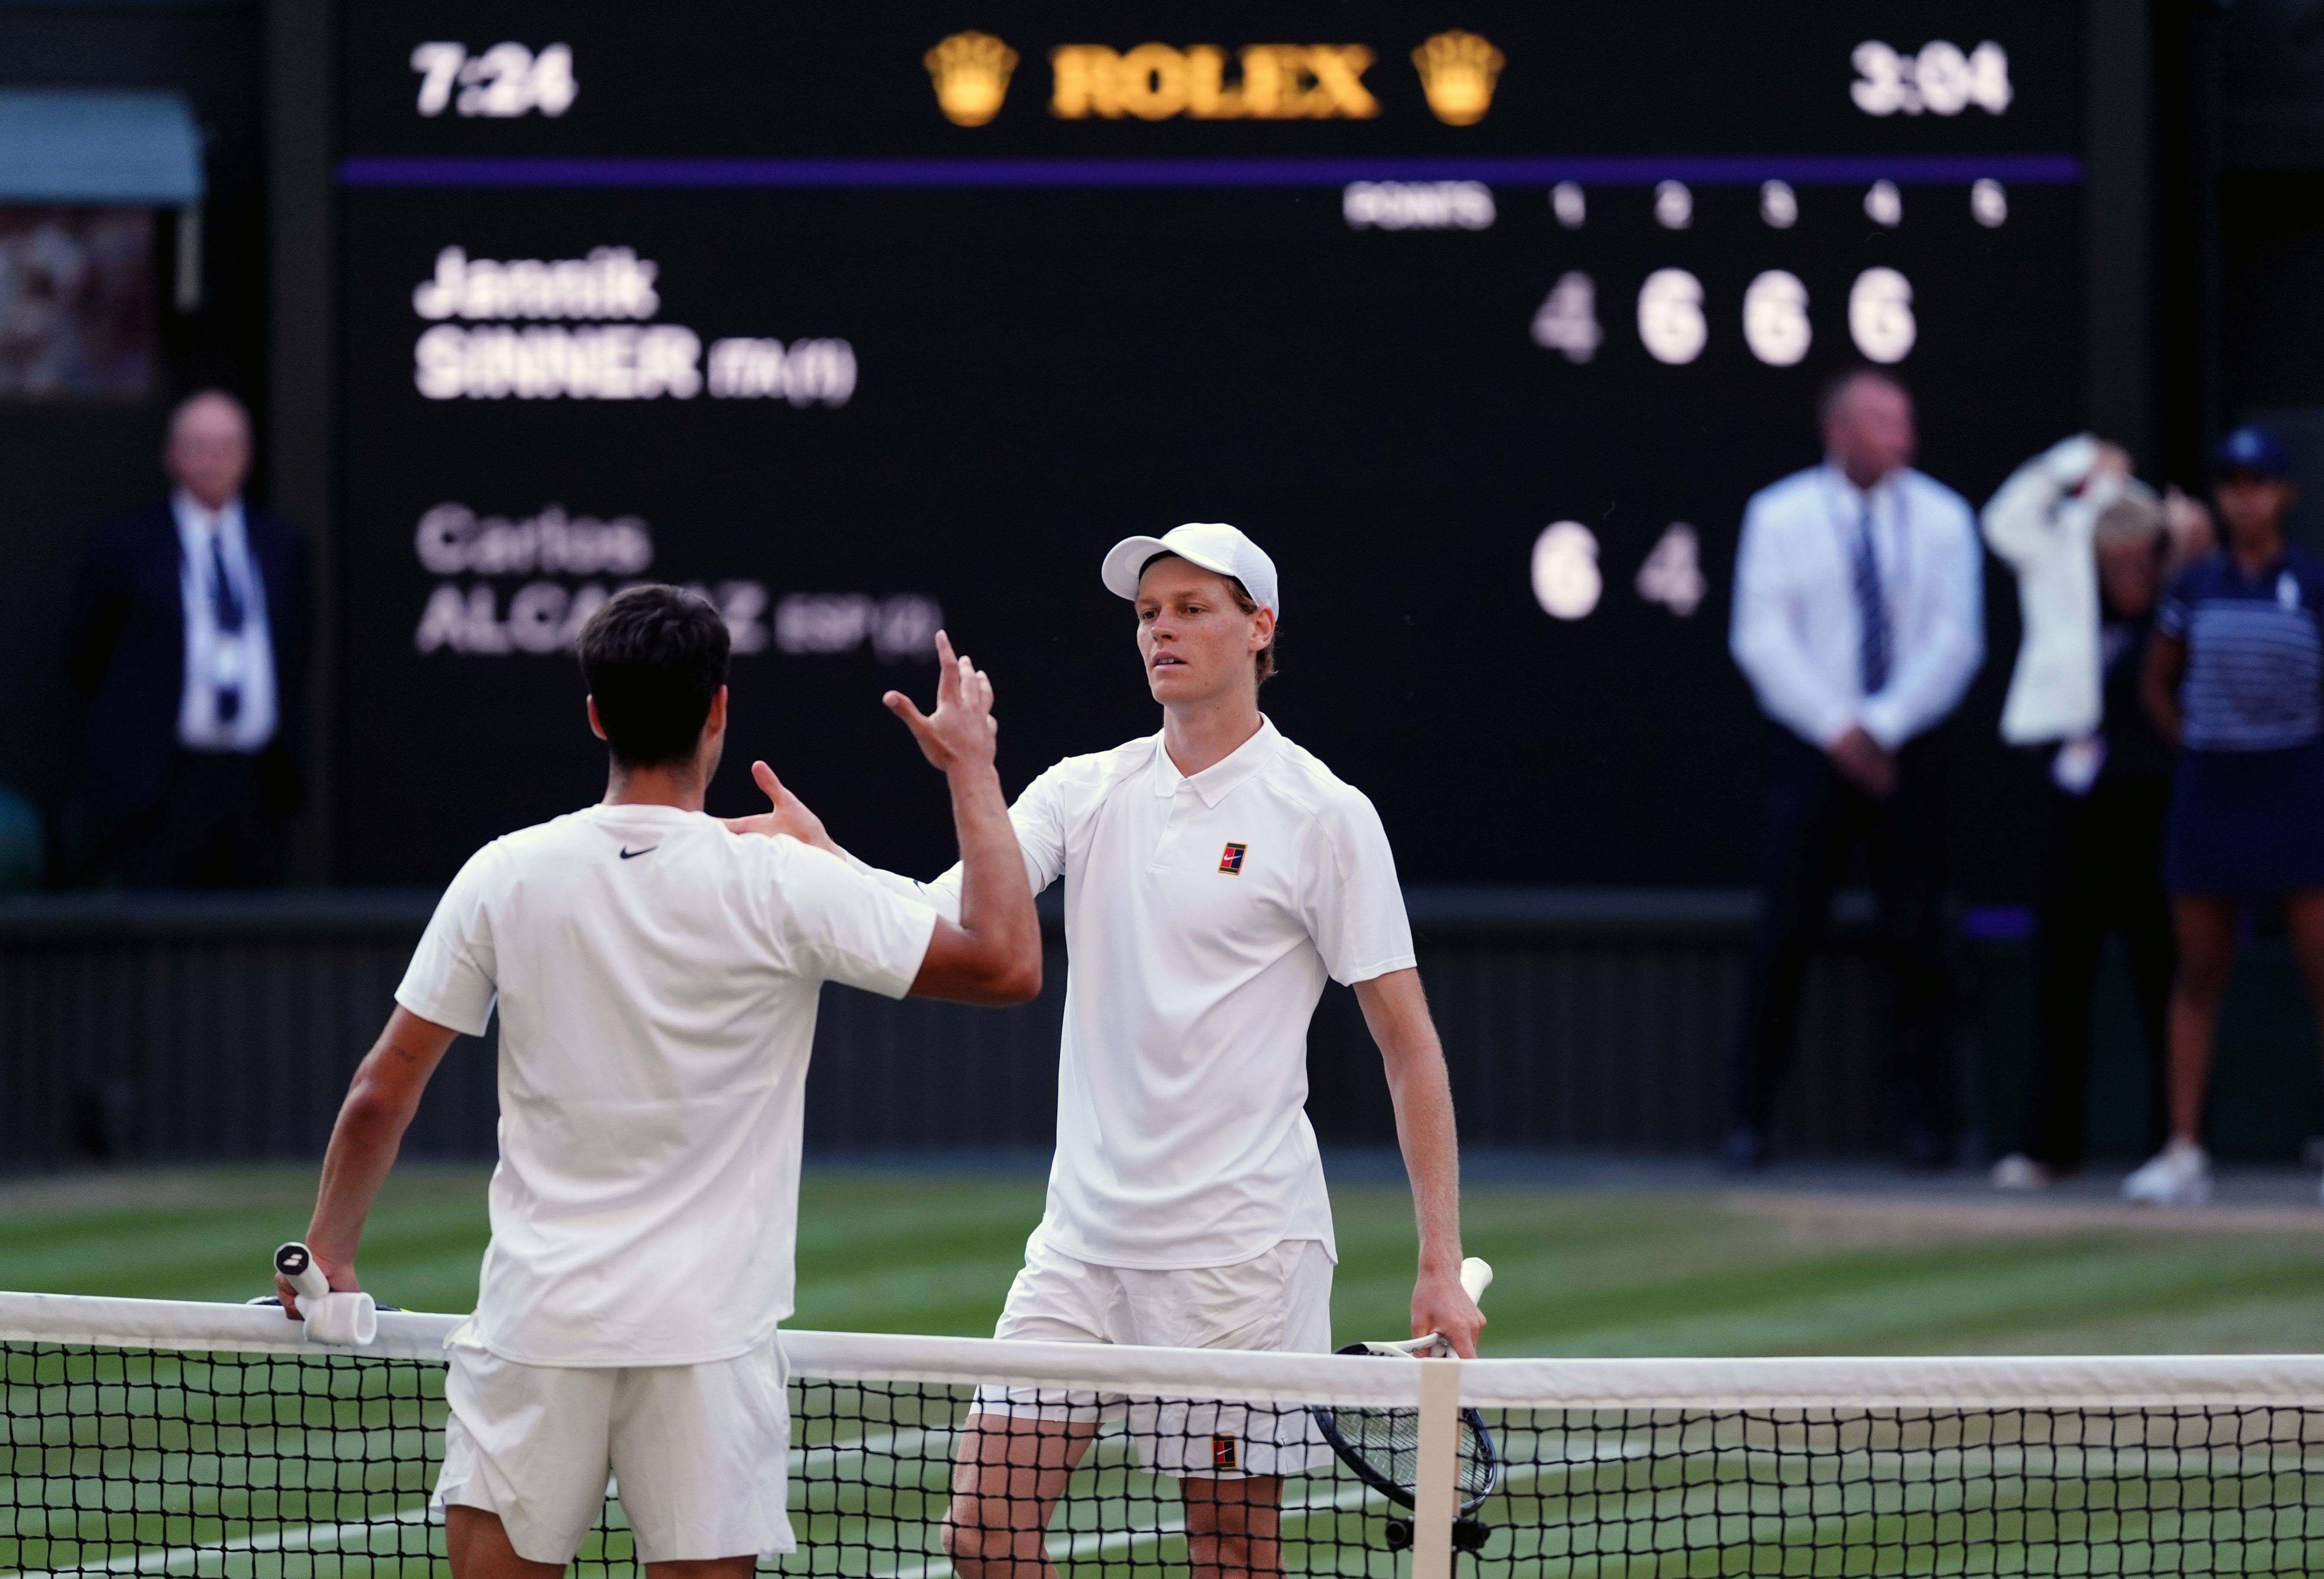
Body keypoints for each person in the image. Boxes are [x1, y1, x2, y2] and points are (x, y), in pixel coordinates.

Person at [753, 522, 1481, 1579]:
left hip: (1239, 1257)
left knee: (1229, 1556)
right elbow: (931, 917)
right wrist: (826, 857)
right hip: (1079, 1251)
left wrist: (1434, 1266)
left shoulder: (1324, 815)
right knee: (981, 1533)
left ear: (1257, 628)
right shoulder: (1080, 791)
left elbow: (1408, 1048)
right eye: (1147, 614)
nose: (1161, 631)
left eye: (1191, 609)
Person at [274, 586, 1043, 1578]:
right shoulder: (785, 882)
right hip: (706, 1348)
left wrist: (330, 1252)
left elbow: (384, 1087)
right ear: (717, 711)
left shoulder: (505, 873)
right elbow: (1008, 964)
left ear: (595, 715)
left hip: (537, 1326)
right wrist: (969, 768)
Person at [2124, 424, 2324, 1211]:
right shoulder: (2193, 586)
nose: (2242, 499)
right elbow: (2156, 685)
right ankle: (2182, 1151)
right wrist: (2199, 745)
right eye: (2230, 484)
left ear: (2283, 494)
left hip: (2296, 792)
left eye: (2257, 484)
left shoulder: (2322, 584)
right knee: (2198, 969)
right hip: (2213, 792)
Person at [1725, 367, 1984, 1170]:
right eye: (1883, 422)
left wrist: (1882, 724)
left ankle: (1929, 1125)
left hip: (1909, 748)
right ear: (1839, 432)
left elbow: (1956, 639)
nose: (1902, 438)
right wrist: (1839, 728)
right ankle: (1751, 1121)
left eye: (1905, 421)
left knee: (1918, 935)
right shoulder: (1778, 515)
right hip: (1809, 749)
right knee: (1782, 934)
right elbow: (1759, 636)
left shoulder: (1943, 517)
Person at [1980, 436, 2195, 1187]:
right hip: (2075, 805)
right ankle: (2049, 1143)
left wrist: (2170, 531)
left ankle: (2174, 1144)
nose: (2130, 571)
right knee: (2060, 974)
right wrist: (2075, 464)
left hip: (2153, 805)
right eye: (2116, 558)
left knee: (2160, 973)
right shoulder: (2062, 585)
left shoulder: (2180, 604)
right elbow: (2005, 520)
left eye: (2143, 556)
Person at [63, 390, 309, 886]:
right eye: (198, 446)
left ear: (248, 455)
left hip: (254, 779)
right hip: (159, 780)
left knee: (252, 935)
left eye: (226, 446)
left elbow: (299, 648)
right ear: (170, 454)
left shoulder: (281, 545)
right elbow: (86, 654)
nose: (212, 460)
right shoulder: (127, 545)